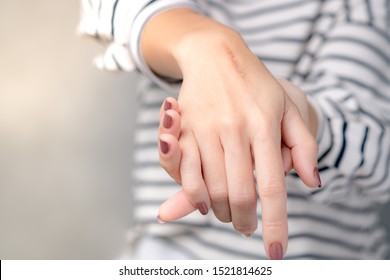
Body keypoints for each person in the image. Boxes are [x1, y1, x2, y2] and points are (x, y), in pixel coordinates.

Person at [79, 0, 390, 259]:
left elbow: (379, 146)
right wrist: (207, 46)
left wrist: (297, 118)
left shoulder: (357, 7)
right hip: (169, 256)